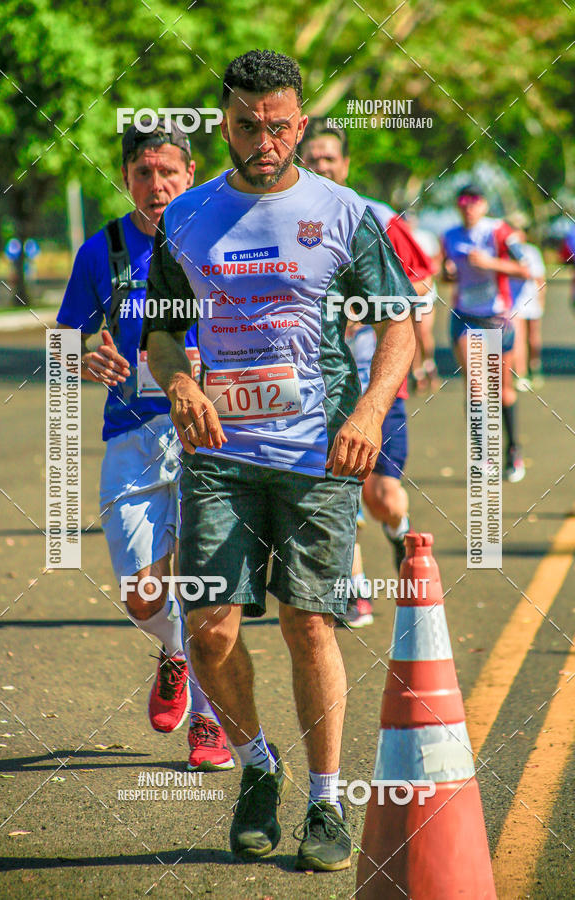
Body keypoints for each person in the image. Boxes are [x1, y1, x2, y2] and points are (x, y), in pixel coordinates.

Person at [142, 50, 419, 872]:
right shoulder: (186, 218)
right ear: (222, 125)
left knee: (309, 624)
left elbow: (398, 323)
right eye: (245, 124)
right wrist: (179, 378)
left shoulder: (343, 213)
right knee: (209, 628)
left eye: (279, 124)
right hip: (218, 456)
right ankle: (259, 766)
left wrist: (370, 411)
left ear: (300, 123)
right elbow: (160, 331)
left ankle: (327, 800)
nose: (263, 139)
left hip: (319, 454)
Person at [56, 117, 233, 772]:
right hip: (131, 436)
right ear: (127, 177)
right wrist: (82, 362)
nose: (156, 185)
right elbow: (64, 339)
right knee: (141, 594)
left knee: (203, 584)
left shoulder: (218, 240)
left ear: (191, 174)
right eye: (143, 173)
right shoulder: (100, 249)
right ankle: (174, 653)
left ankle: (211, 721)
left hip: (209, 432)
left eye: (168, 172)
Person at [301, 119, 435, 627]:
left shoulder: (375, 217)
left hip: (379, 384)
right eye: (311, 159)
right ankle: (353, 587)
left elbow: (420, 286)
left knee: (381, 496)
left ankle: (400, 533)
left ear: (346, 164)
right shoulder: (287, 218)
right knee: (340, 490)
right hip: (320, 390)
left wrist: (370, 307)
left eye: (328, 159)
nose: (320, 167)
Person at [443, 184, 531, 483]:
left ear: (483, 205)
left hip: (495, 317)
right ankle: (482, 456)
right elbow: (443, 271)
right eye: (463, 201)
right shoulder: (450, 236)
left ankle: (513, 448)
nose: (468, 207)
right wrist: (447, 272)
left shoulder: (500, 232)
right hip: (464, 316)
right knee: (476, 388)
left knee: (502, 390)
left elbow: (525, 269)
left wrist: (489, 263)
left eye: (474, 201)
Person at [403, 211, 442, 393]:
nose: (408, 222)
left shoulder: (426, 238)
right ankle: (417, 373)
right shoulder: (397, 237)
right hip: (405, 294)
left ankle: (429, 364)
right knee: (411, 335)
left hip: (425, 295)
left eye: (411, 218)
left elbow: (436, 264)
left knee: (423, 333)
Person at [509, 228, 546, 391]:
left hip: (531, 300)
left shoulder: (532, 251)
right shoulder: (505, 253)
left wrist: (542, 299)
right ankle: (521, 374)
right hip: (514, 303)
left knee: (533, 338)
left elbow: (540, 278)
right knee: (518, 338)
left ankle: (534, 365)